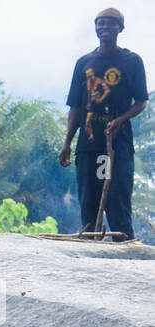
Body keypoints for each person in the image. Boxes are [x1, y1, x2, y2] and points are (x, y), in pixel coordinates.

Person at [60, 9, 148, 240]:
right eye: (100, 23)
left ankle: (124, 248)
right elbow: (76, 108)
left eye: (110, 23)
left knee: (117, 201)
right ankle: (90, 250)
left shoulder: (132, 61)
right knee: (89, 202)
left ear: (120, 28)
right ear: (95, 28)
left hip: (116, 147)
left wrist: (120, 119)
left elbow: (141, 103)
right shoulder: (83, 63)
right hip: (88, 146)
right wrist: (67, 142)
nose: (104, 27)